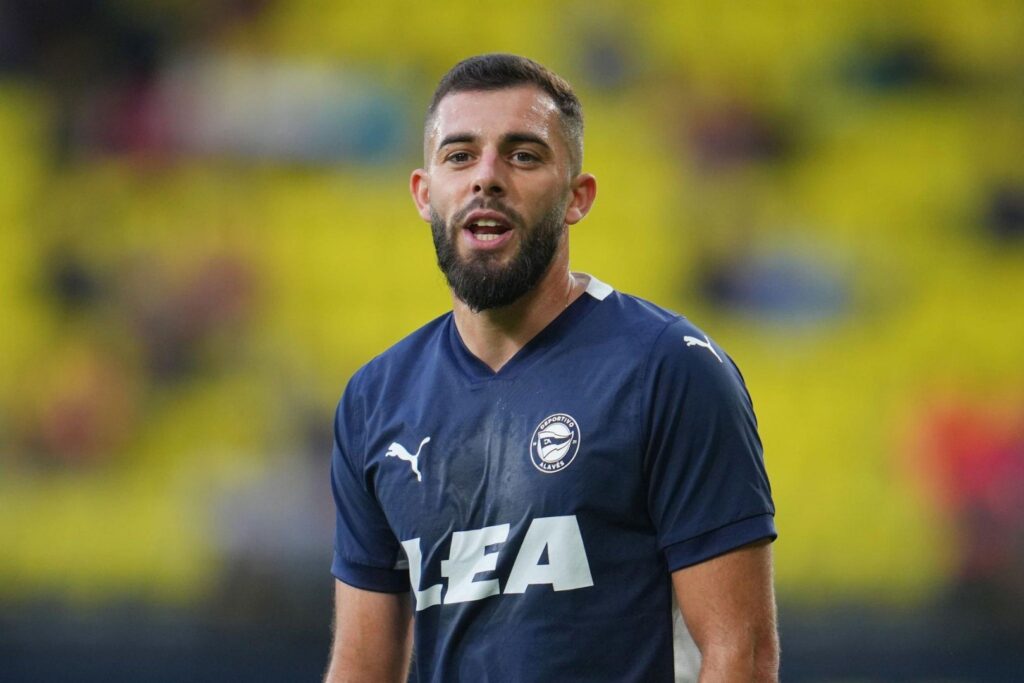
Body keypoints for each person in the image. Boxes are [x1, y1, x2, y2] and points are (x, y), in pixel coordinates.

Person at [324, 53, 778, 683]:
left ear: (577, 198)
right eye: (460, 155)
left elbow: (742, 653)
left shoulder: (669, 369)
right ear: (425, 195)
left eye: (523, 155)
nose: (487, 177)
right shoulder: (376, 399)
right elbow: (362, 666)